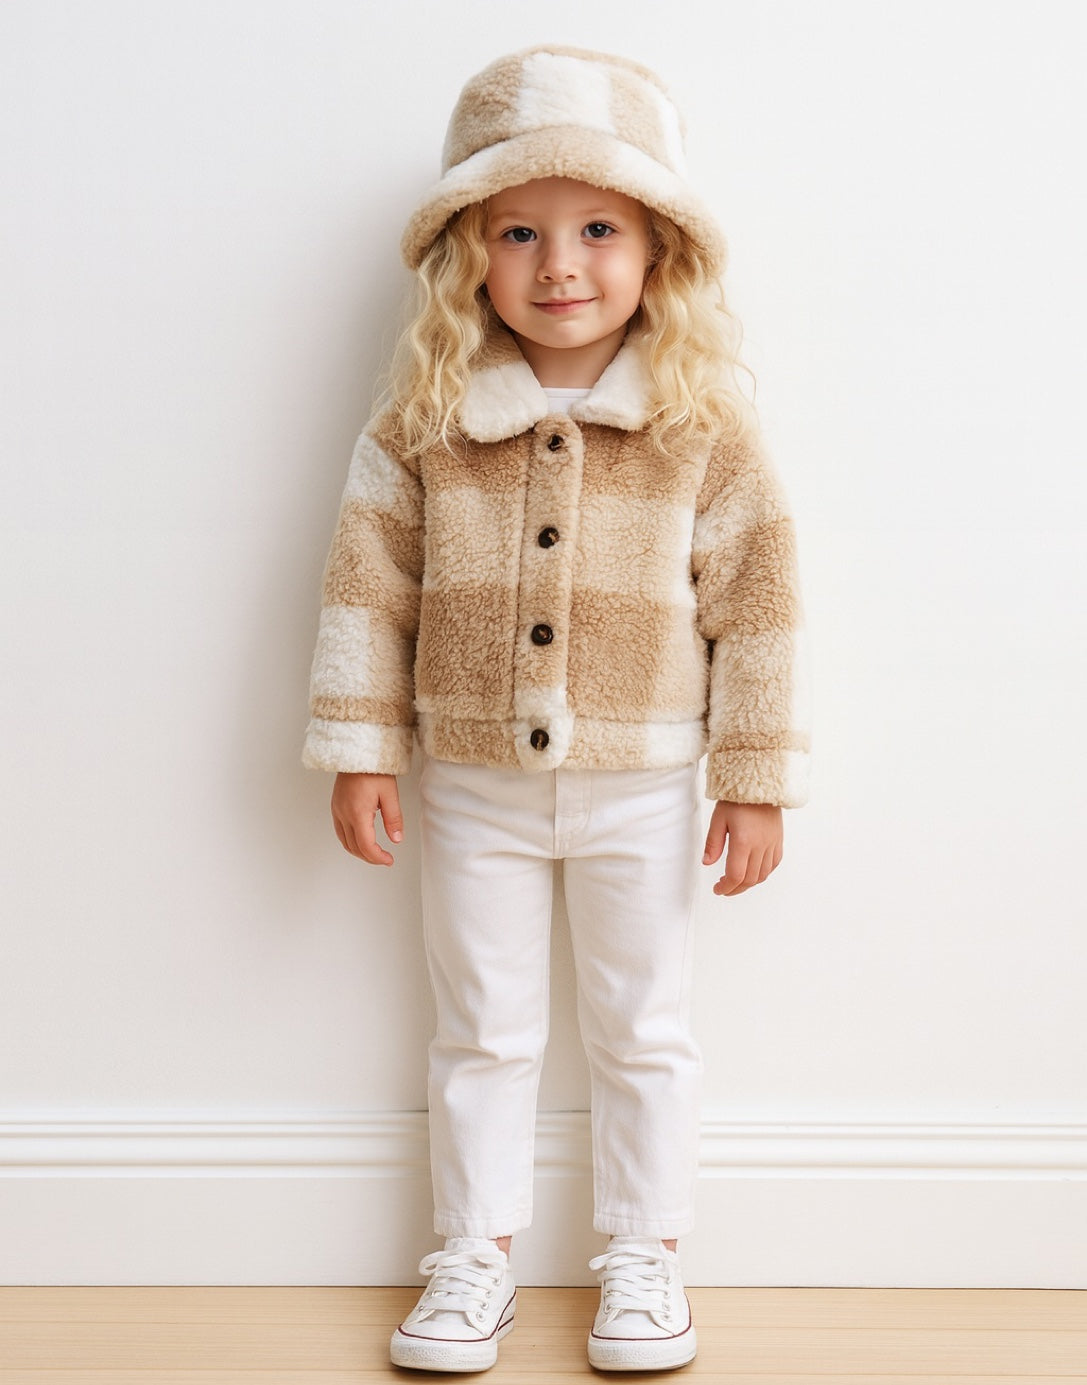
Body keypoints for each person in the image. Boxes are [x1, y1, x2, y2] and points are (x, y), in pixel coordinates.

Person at [303, 44, 808, 1374]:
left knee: (645, 1027)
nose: (560, 263)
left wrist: (752, 773)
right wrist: (361, 750)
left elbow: (759, 603)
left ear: (659, 253)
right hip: (469, 783)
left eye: (597, 229)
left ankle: (645, 1253)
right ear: (470, 253)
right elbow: (367, 585)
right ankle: (474, 1252)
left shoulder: (704, 425)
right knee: (480, 1028)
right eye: (518, 231)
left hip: (648, 783)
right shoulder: (422, 419)